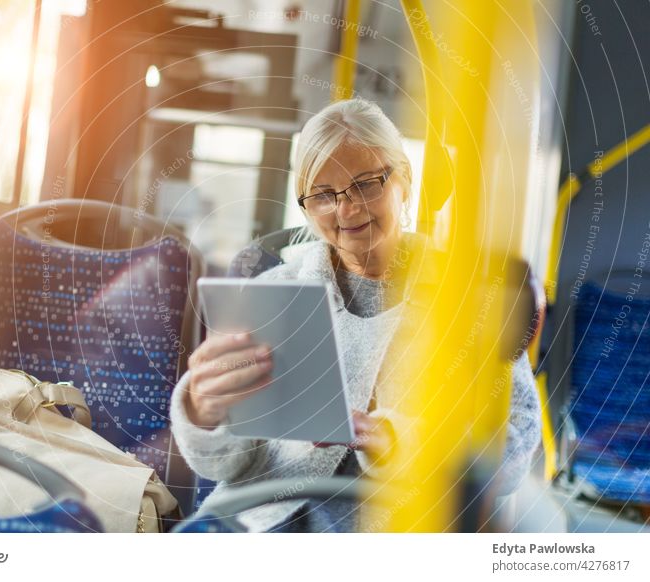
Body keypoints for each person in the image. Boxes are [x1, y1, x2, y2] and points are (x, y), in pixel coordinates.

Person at [169, 97, 541, 532]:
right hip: (261, 515)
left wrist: (400, 442)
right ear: (306, 207)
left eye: (366, 184)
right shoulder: (273, 287)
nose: (346, 210)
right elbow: (227, 463)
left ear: (403, 178)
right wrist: (203, 412)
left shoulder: (466, 296)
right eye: (323, 195)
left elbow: (514, 446)